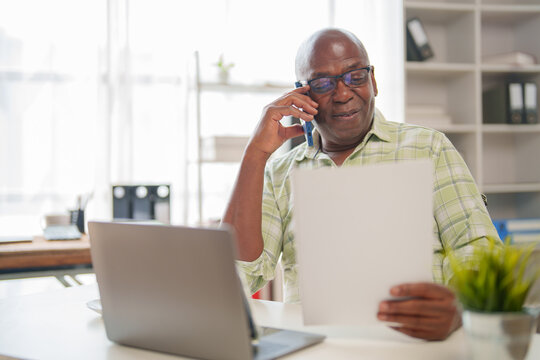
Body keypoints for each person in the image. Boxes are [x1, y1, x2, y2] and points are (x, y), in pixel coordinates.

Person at [222, 28, 500, 341]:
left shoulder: (429, 148)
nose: (342, 94)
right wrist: (255, 154)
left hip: (417, 345)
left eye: (355, 76)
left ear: (373, 81)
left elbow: (478, 249)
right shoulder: (280, 172)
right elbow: (238, 277)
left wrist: (460, 306)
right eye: (323, 83)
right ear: (302, 95)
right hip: (319, 349)